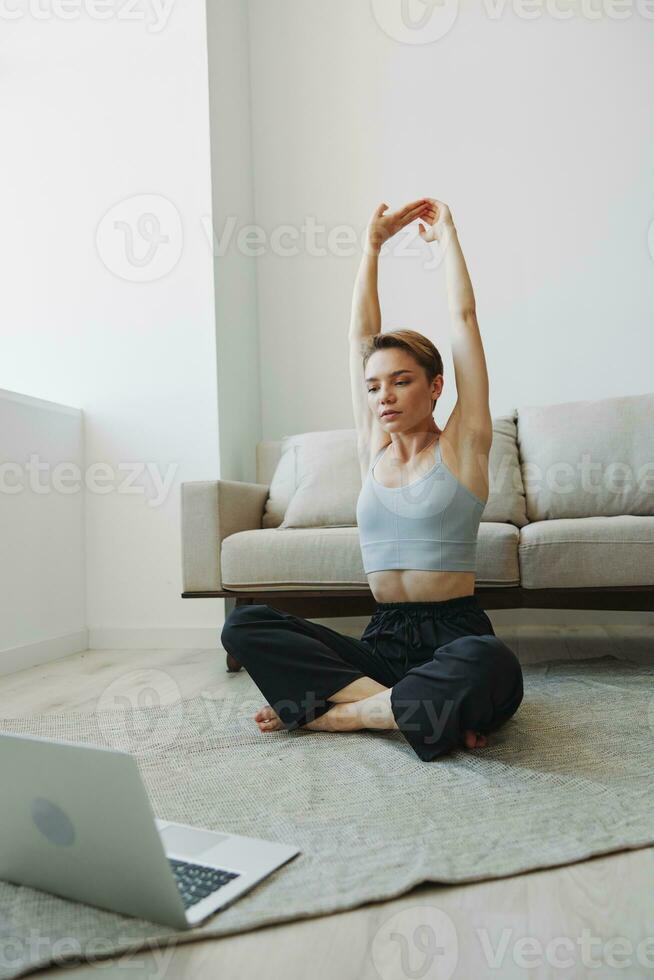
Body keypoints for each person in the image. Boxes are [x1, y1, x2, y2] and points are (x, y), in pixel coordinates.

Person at [221, 198, 524, 762]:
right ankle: (411, 709)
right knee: (245, 625)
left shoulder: (463, 445)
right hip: (382, 638)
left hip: (453, 635)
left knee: (493, 665)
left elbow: (464, 321)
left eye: (402, 381)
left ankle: (341, 716)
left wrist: (450, 236)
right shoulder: (373, 448)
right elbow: (360, 335)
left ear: (435, 387)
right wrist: (371, 247)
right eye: (374, 385)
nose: (384, 395)